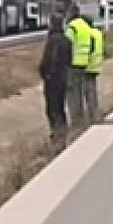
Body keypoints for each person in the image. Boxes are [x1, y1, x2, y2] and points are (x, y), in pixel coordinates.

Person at [38, 12, 72, 144]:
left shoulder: (52, 41)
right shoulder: (66, 40)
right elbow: (70, 59)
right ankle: (63, 131)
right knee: (61, 106)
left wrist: (44, 73)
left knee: (52, 107)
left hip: (53, 78)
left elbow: (48, 60)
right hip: (64, 77)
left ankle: (56, 133)